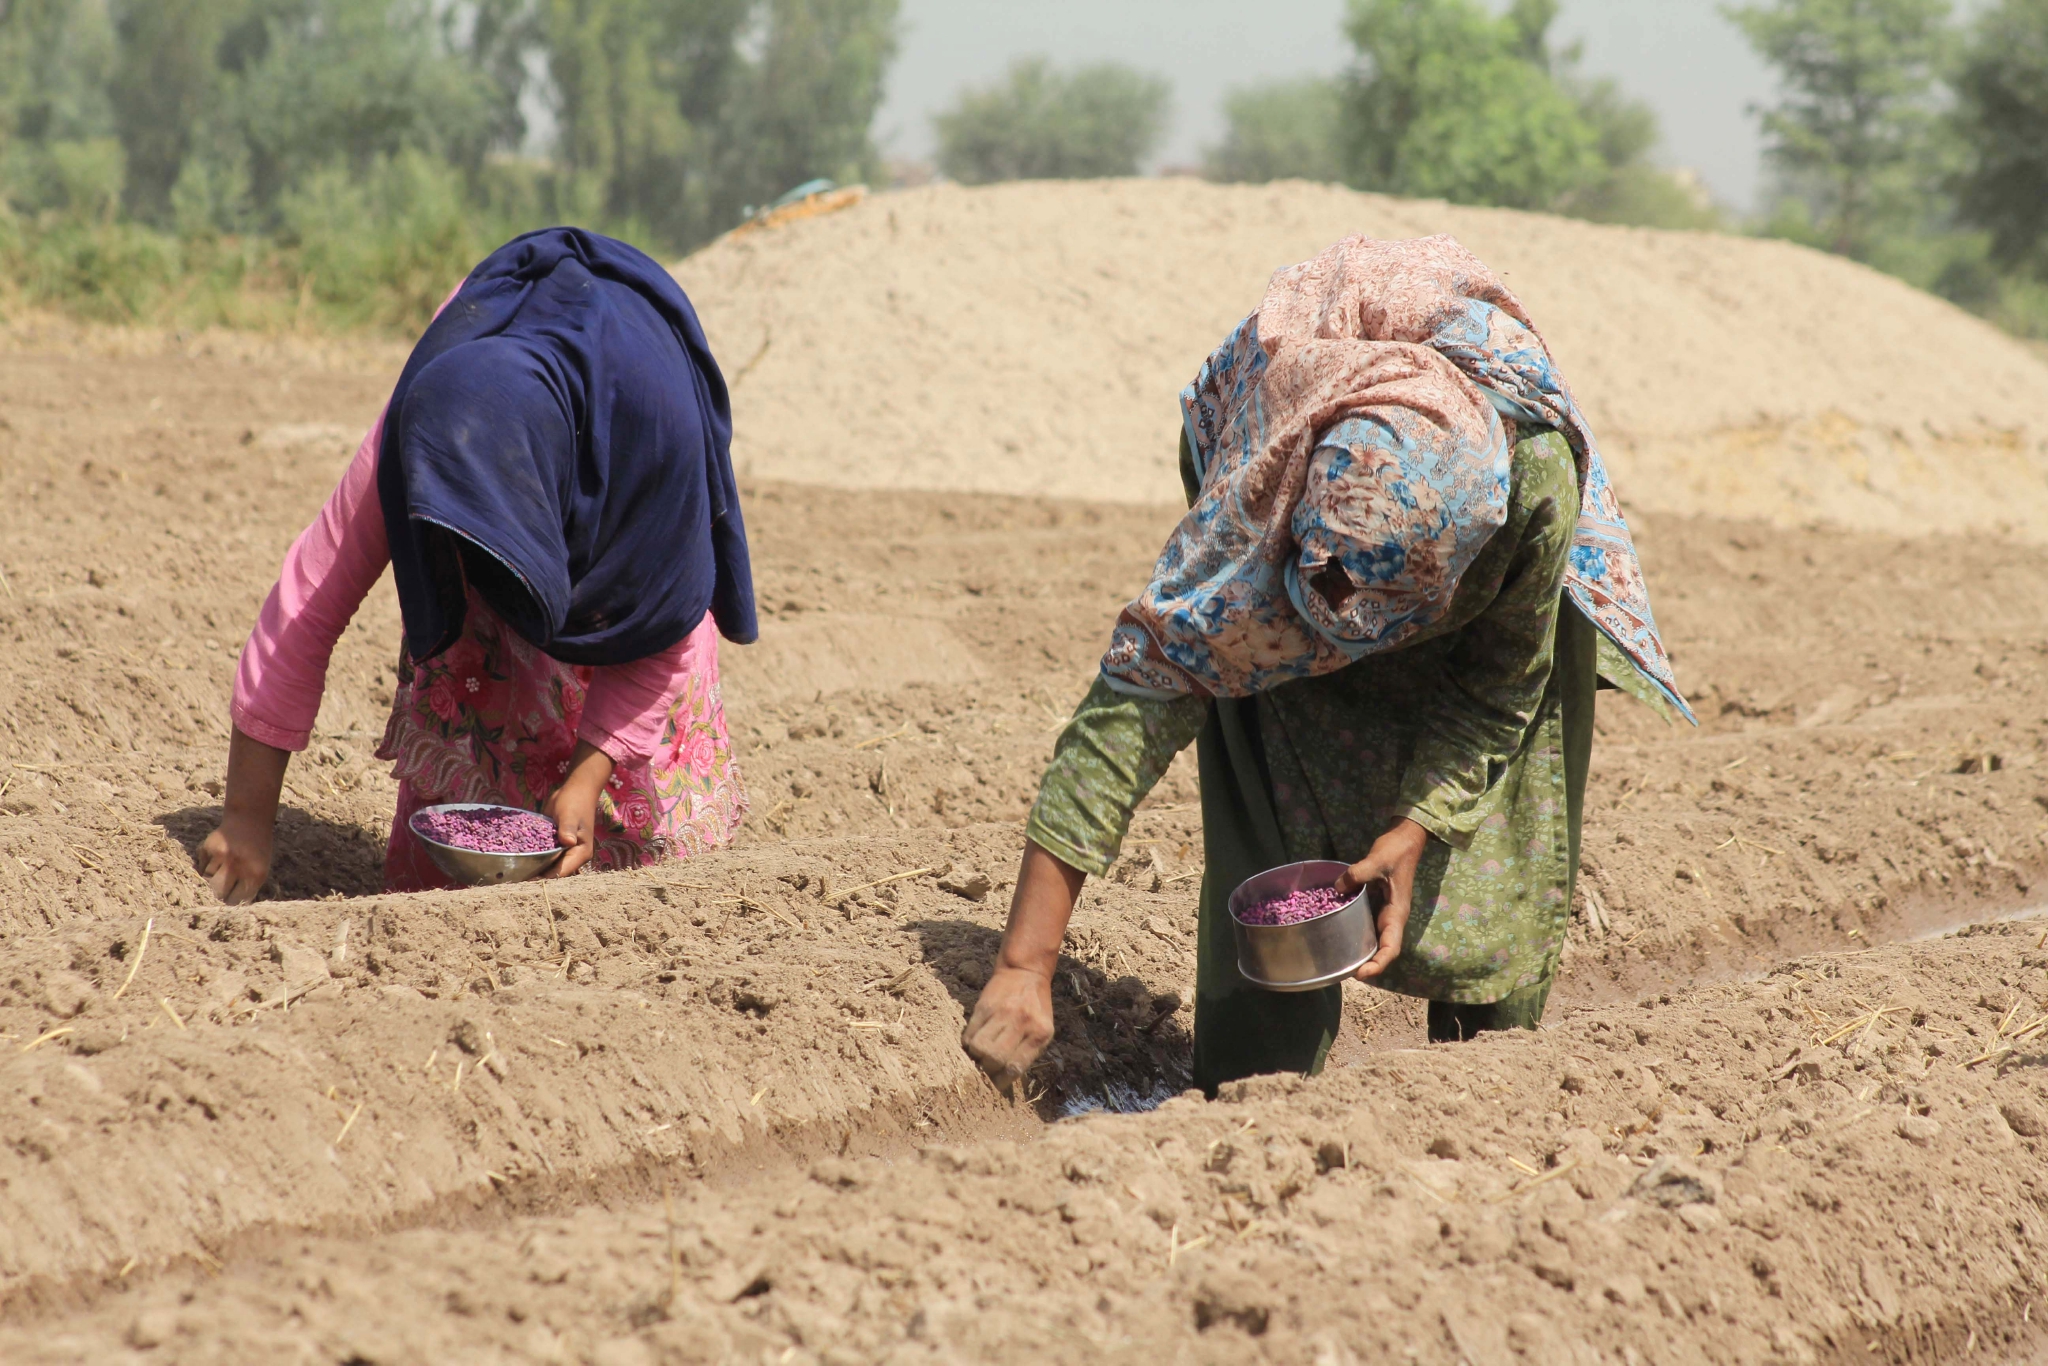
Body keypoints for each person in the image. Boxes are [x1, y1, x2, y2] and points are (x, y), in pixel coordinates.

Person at [961, 235, 1690, 1094]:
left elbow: (1498, 689)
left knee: (1502, 844)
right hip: (1286, 540)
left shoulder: (1530, 481)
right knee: (1268, 819)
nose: (1373, 650)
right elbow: (1136, 701)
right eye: (1349, 629)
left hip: (1481, 605)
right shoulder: (1257, 488)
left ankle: (1495, 1092)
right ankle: (1249, 1082)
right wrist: (1024, 962)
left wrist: (1420, 823)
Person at [201, 228, 757, 902]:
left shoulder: (656, 440)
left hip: (626, 552)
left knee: (644, 875)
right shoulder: (424, 428)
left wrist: (587, 775)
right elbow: (309, 598)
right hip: (507, 462)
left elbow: (662, 629)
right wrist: (246, 820)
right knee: (453, 849)